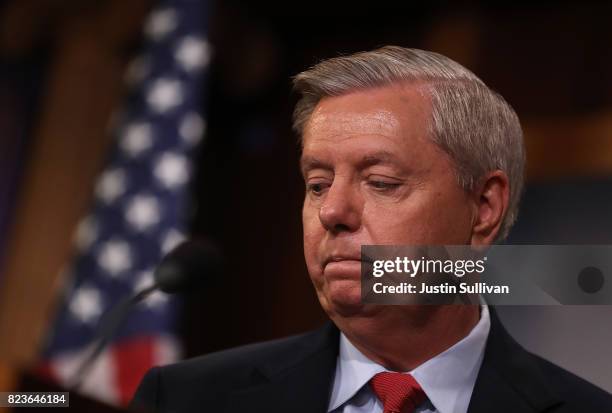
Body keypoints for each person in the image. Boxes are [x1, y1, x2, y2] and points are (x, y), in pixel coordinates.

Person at [131, 46, 612, 413]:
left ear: (484, 208)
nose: (332, 211)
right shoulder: (184, 400)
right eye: (317, 184)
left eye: (381, 183)